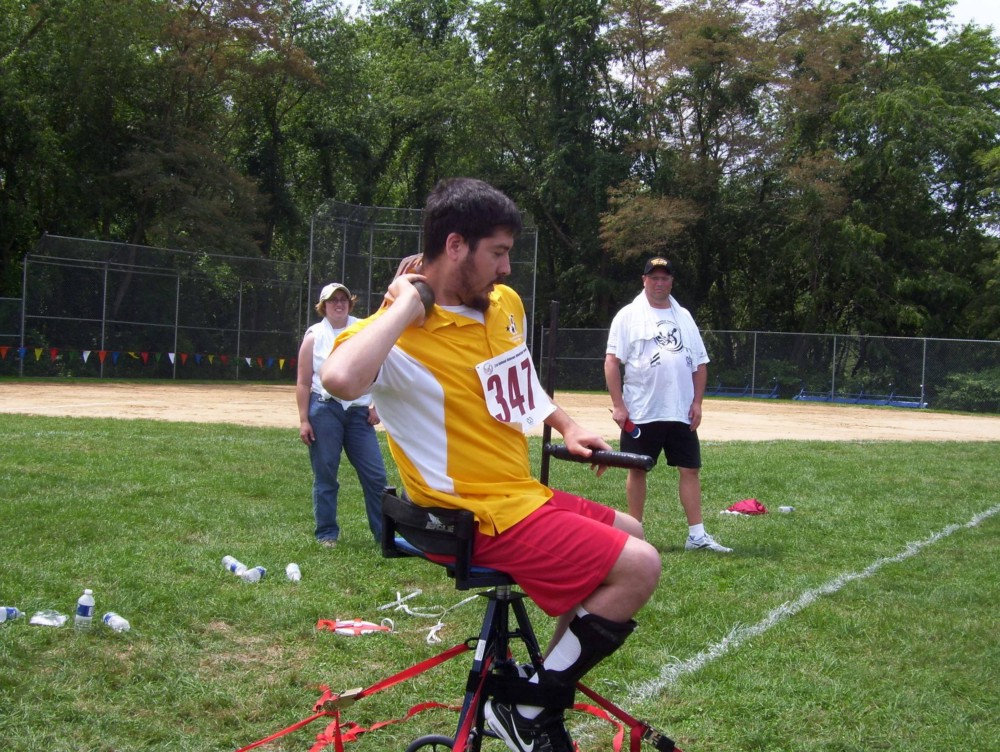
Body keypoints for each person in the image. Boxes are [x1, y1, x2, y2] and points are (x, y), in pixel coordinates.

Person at [321, 178, 661, 752]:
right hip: (470, 514)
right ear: (456, 246)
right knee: (640, 566)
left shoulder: (505, 305)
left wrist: (567, 425)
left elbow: (519, 383)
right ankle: (528, 708)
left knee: (631, 532)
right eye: (497, 253)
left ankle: (530, 694)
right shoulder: (397, 333)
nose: (506, 268)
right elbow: (339, 379)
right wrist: (405, 302)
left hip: (517, 496)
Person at [604, 256, 731, 552]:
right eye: (654, 277)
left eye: (665, 278)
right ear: (644, 280)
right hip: (642, 411)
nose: (659, 283)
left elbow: (699, 363)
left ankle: (697, 536)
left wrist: (697, 402)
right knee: (637, 469)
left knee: (690, 469)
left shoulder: (683, 315)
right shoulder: (628, 316)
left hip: (680, 410)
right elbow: (612, 362)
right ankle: (635, 534)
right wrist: (619, 405)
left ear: (671, 281)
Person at [296, 282, 387, 547]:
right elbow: (303, 382)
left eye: (343, 299)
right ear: (323, 306)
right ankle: (327, 534)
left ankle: (385, 536)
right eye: (332, 300)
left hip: (359, 413)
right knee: (326, 475)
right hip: (325, 410)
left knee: (376, 476)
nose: (339, 304)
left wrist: (376, 406)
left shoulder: (365, 329)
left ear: (350, 303)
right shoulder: (314, 336)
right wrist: (304, 420)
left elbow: (382, 371)